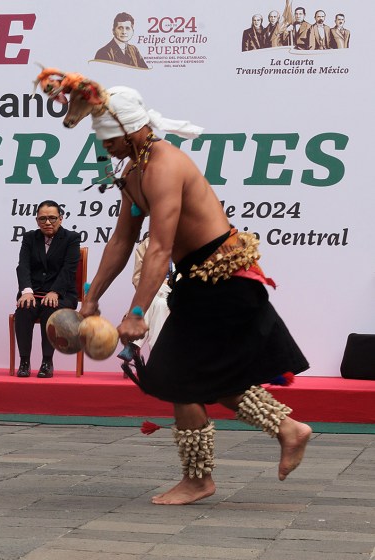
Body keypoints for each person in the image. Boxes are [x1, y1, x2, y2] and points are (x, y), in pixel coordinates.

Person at [53, 81, 312, 505]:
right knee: (200, 377)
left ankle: (199, 480)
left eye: (110, 139)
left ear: (134, 129)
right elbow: (122, 240)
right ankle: (288, 429)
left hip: (225, 282)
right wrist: (91, 297)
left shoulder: (164, 166)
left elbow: (159, 248)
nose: (106, 148)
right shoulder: (134, 172)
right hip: (202, 282)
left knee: (177, 378)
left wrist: (137, 312)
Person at [12, 201, 80, 378]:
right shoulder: (29, 238)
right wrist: (26, 291)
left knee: (51, 309)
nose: (47, 222)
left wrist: (55, 291)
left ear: (61, 219)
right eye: (43, 218)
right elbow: (23, 266)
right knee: (24, 309)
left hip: (62, 294)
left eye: (52, 218)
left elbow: (69, 269)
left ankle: (47, 362)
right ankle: (24, 362)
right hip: (34, 294)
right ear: (37, 220)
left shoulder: (71, 238)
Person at [130, 236, 171, 353]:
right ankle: (158, 357)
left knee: (157, 292)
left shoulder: (189, 243)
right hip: (155, 294)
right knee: (161, 304)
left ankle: (134, 343)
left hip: (178, 292)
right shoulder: (146, 244)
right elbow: (137, 278)